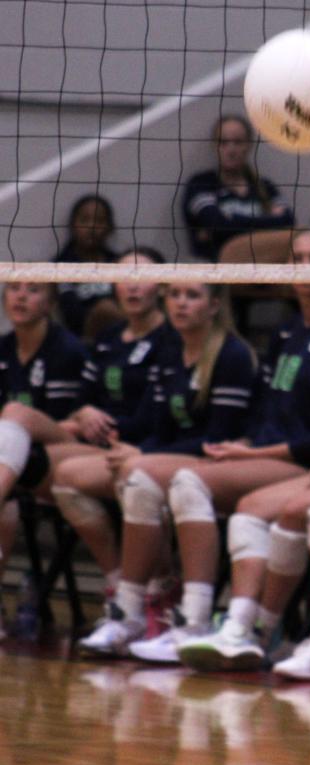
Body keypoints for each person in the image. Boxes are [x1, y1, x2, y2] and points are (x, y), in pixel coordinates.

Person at [122, 229, 310, 664]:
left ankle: (208, 622)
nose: (305, 267)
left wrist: (251, 454)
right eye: (297, 258)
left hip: (304, 461)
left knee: (191, 482)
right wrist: (245, 444)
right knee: (170, 480)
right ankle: (199, 622)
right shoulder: (289, 331)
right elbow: (263, 413)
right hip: (269, 455)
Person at [69, 281, 257, 656]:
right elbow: (158, 427)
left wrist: (143, 455)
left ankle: (193, 620)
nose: (180, 303)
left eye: (192, 295)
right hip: (178, 455)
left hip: (226, 459)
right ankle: (130, 613)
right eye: (174, 295)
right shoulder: (171, 352)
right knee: (134, 475)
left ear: (215, 305)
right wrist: (136, 450)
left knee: (142, 473)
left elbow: (218, 437)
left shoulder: (231, 355)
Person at [45, 248, 173, 610]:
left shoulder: (171, 340)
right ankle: (120, 583)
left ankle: (157, 588)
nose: (132, 288)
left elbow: (151, 417)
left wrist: (95, 424)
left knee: (68, 470)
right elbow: (81, 400)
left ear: (161, 286)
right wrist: (84, 411)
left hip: (139, 447)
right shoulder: (107, 339)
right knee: (52, 468)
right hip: (103, 447)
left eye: (142, 278)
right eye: (123, 278)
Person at [0, 282, 88, 633]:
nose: (21, 297)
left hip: (64, 448)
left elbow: (72, 419)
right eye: (14, 289)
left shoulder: (65, 350)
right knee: (6, 504)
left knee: (16, 416)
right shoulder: (4, 348)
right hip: (14, 462)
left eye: (33, 290)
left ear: (51, 302)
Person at [182, 115, 294, 261]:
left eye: (238, 142)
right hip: (215, 272)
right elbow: (217, 225)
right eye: (223, 142)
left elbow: (288, 221)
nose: (231, 149)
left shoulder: (265, 187)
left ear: (249, 145)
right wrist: (268, 221)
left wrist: (231, 220)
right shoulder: (201, 184)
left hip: (263, 269)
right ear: (214, 145)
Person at [51, 194, 123, 340]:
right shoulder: (60, 267)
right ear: (73, 225)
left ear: (109, 228)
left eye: (99, 221)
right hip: (81, 341)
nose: (91, 227)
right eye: (84, 220)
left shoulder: (119, 263)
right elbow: (72, 317)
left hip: (123, 336)